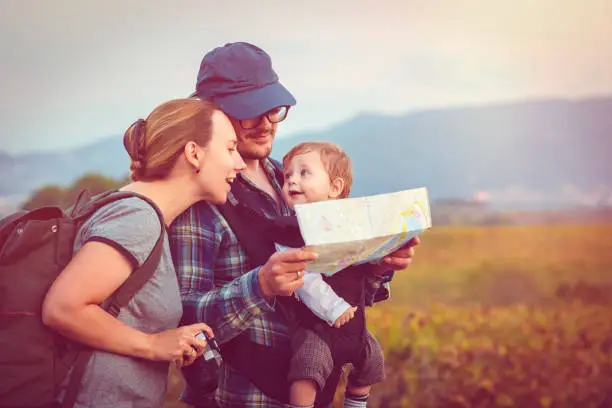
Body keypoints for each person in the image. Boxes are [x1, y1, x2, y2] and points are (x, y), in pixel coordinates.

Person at [170, 42, 419, 408]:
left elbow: (335, 289)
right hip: (240, 397)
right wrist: (260, 286)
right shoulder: (199, 197)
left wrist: (378, 265)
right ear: (213, 113)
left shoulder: (290, 179)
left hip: (319, 390)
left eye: (273, 109)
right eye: (251, 112)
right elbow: (181, 316)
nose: (267, 122)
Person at [41, 98, 245, 408]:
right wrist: (152, 344)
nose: (239, 163)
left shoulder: (134, 212)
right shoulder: (137, 218)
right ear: (194, 153)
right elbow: (63, 308)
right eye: (230, 148)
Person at [278, 141, 388, 408]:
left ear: (335, 188)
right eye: (287, 175)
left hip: (353, 322)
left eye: (304, 173)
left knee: (372, 360)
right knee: (308, 366)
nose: (292, 180)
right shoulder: (290, 229)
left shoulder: (350, 227)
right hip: (317, 324)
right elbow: (303, 277)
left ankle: (355, 403)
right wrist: (333, 306)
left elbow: (365, 260)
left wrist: (384, 256)